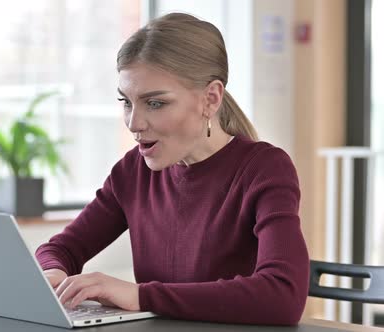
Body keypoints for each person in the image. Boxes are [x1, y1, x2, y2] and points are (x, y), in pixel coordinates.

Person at [35, 13, 309, 325]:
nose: (134, 124)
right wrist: (53, 275)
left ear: (211, 98)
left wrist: (140, 295)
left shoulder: (264, 169)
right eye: (127, 102)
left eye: (155, 103)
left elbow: (283, 296)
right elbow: (60, 248)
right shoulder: (132, 172)